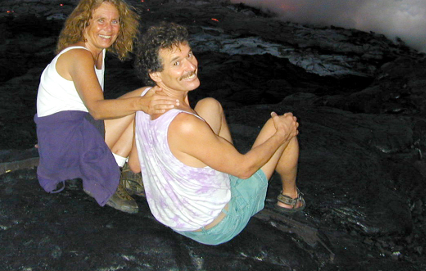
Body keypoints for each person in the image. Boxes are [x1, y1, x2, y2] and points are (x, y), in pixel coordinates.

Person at [128, 22, 304, 245]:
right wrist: (282, 133)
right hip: (213, 225)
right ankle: (291, 197)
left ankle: (222, 161)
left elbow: (135, 165)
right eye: (176, 63)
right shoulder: (185, 125)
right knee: (280, 124)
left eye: (189, 54)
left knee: (210, 105)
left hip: (173, 214)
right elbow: (244, 170)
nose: (190, 66)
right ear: (156, 74)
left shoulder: (146, 100)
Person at [34, 0, 178, 214]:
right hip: (66, 147)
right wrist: (141, 105)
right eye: (100, 21)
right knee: (143, 99)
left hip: (68, 138)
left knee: (146, 95)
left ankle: (118, 170)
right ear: (84, 23)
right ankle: (113, 179)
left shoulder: (97, 53)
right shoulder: (79, 56)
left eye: (115, 22)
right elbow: (97, 110)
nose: (108, 29)